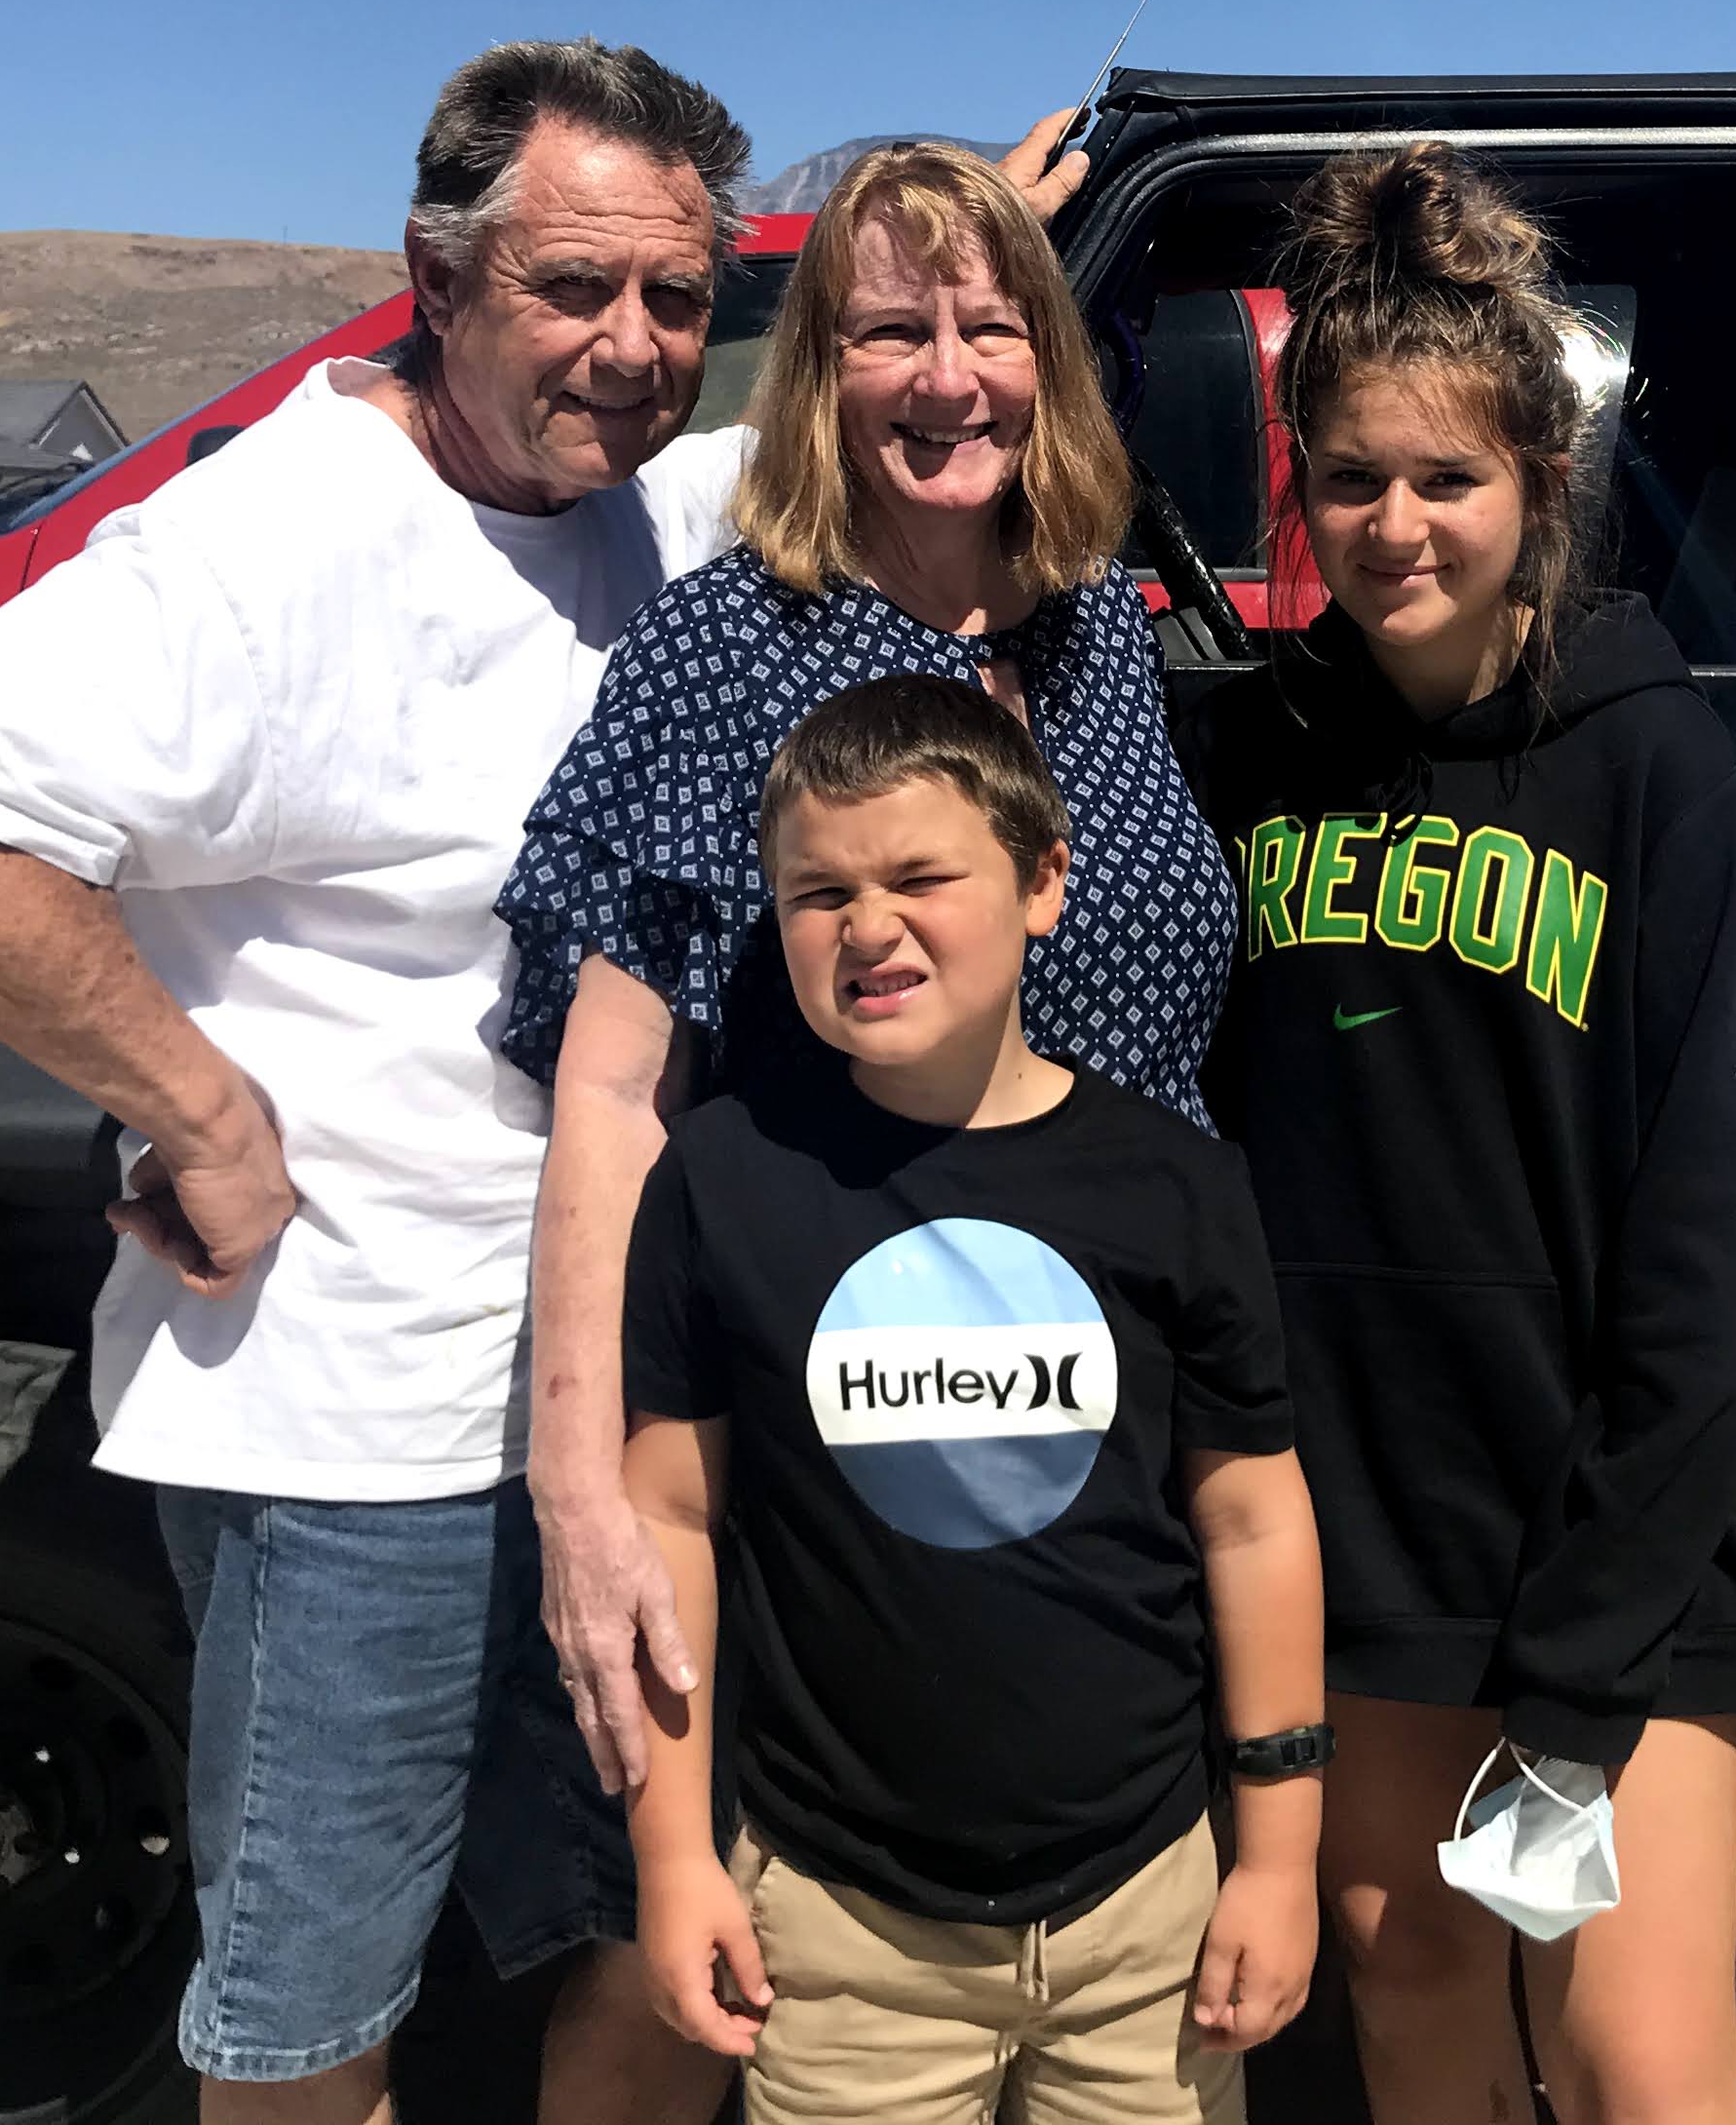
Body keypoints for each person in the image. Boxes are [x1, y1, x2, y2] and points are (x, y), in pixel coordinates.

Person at [0, 41, 1083, 2125]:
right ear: (437, 274)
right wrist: (198, 1111)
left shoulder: (636, 506)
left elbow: (852, 427)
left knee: (657, 1944)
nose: (631, 346)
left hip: (628, 1405)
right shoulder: (271, 541)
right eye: (574, 287)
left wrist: (967, 251)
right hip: (362, 1431)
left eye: (677, 298)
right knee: (315, 2016)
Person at [505, 137, 1241, 1796]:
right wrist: (584, 1491)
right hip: (857, 1411)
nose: (949, 379)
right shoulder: (729, 648)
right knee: (790, 1900)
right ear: (820, 376)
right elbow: (614, 1093)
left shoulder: (1101, 632)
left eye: (992, 329)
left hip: (1127, 1402)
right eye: (892, 332)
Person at [1180, 143, 1736, 2125]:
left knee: (1636, 2070)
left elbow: (1714, 1239)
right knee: (1411, 1989)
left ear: (1540, 479)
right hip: (1360, 1537)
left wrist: (1597, 1638)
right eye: (1350, 477)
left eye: (1445, 478)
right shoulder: (1251, 751)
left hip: (1611, 1543)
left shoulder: (1659, 765)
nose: (1395, 526)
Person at [615, 675, 1326, 2125]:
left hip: (1150, 1914)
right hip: (841, 1926)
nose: (869, 925)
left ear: (1043, 883)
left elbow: (1254, 1523)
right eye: (819, 892)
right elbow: (669, 1523)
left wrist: (1279, 1854)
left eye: (920, 877)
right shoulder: (722, 1180)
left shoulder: (1175, 1183)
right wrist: (673, 1856)